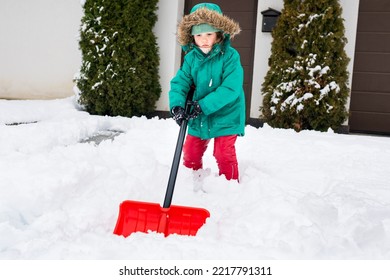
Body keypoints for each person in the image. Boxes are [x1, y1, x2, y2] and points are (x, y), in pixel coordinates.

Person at [169, 3, 245, 181]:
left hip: (227, 112)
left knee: (223, 153)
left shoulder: (230, 56)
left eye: (209, 34)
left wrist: (203, 105)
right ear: (191, 36)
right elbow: (180, 83)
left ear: (219, 34)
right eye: (198, 35)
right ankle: (192, 182)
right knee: (190, 152)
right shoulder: (191, 58)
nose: (203, 39)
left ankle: (231, 186)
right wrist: (177, 106)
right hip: (199, 114)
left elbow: (231, 88)